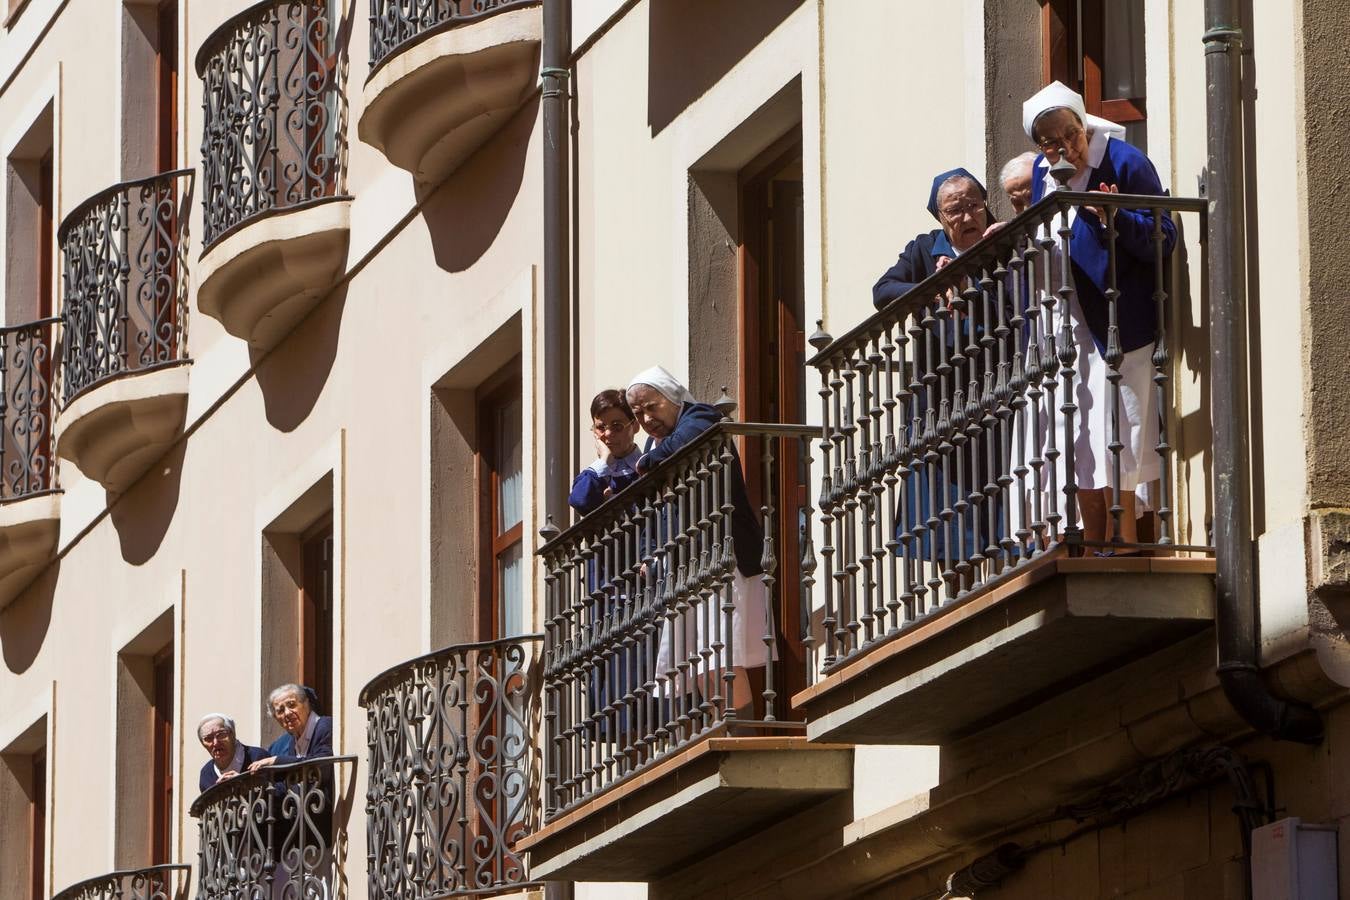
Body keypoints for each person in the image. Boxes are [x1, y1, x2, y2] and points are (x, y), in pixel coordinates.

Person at [1021, 80, 1177, 546]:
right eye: (1051, 142)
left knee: (1120, 437)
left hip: (1118, 324)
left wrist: (1112, 216)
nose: (1065, 147)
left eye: (1071, 133)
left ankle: (1124, 543)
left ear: (1083, 123)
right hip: (1066, 324)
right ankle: (1094, 543)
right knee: (1079, 440)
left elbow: (1163, 236)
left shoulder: (1123, 161)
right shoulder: (1040, 173)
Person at [626, 366, 772, 718]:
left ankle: (743, 734)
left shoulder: (700, 416)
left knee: (723, 654)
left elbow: (686, 442)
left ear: (672, 397)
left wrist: (647, 462)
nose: (646, 418)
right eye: (638, 413)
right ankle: (720, 727)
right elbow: (654, 512)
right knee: (700, 662)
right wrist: (649, 554)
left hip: (722, 555)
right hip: (687, 563)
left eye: (651, 406)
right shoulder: (656, 443)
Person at [872, 167, 993, 309]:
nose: (967, 218)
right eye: (954, 211)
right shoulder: (924, 247)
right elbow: (881, 291)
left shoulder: (1003, 242)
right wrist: (935, 289)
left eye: (973, 205)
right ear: (940, 217)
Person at [569, 389, 643, 516]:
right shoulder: (594, 474)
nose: (608, 434)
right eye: (600, 428)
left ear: (635, 426)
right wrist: (604, 460)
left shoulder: (647, 464)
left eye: (617, 426)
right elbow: (579, 501)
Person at [197, 713, 267, 793]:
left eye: (221, 734)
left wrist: (246, 785)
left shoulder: (257, 757)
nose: (215, 743)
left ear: (233, 734)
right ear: (203, 744)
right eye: (208, 739)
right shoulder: (206, 774)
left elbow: (279, 795)